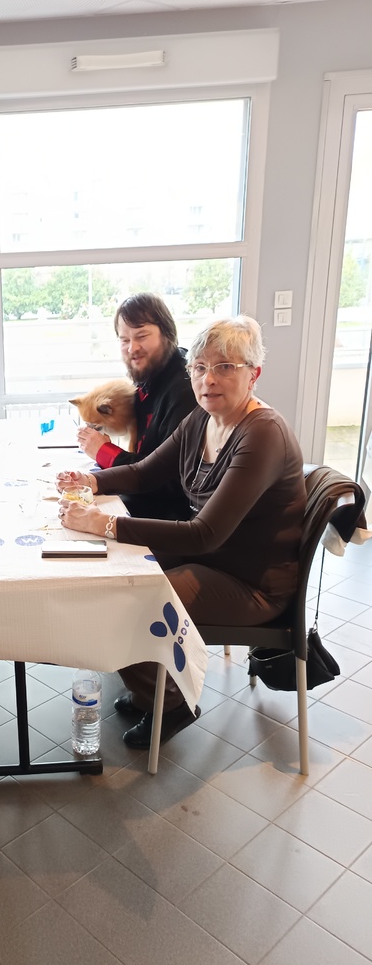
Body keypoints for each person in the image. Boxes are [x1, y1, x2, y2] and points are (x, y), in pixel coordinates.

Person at [57, 315, 306, 749]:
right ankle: (151, 687)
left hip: (251, 583)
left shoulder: (262, 433)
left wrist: (106, 523)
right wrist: (92, 481)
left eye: (225, 367)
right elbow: (143, 473)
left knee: (129, 603)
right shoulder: (203, 419)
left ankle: (171, 704)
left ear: (254, 374)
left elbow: (204, 533)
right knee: (112, 575)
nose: (209, 379)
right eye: (200, 367)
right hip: (212, 558)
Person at [76, 293, 197, 520]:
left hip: (165, 518)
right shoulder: (150, 377)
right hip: (142, 503)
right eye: (124, 340)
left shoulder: (185, 389)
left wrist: (106, 453)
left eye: (141, 336)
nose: (132, 348)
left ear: (167, 334)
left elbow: (169, 481)